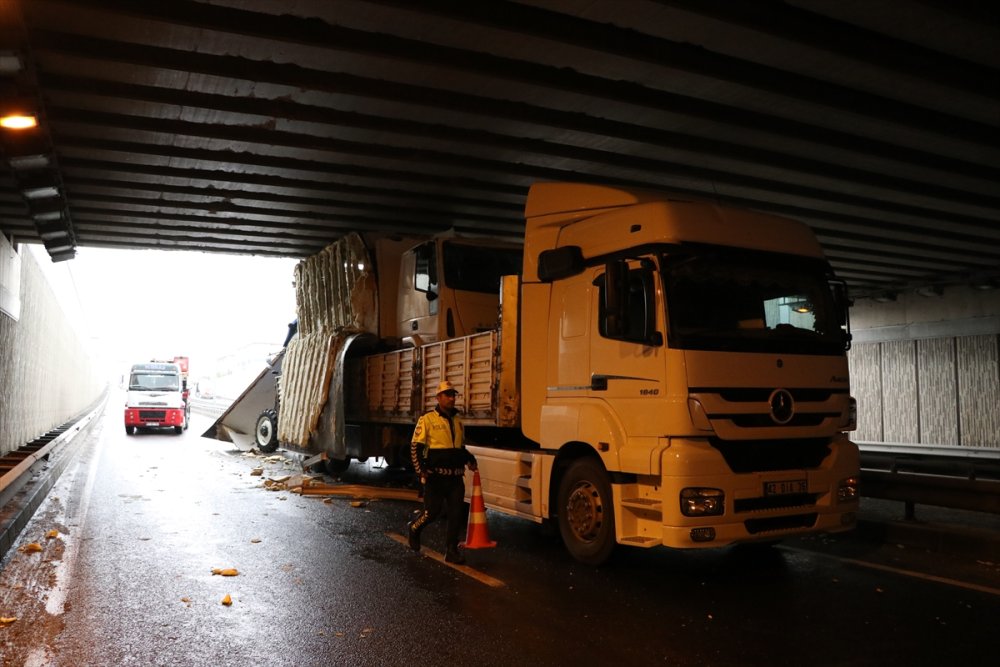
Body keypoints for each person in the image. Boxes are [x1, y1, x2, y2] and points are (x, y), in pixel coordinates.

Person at [407, 380, 478, 564]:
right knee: (432, 513)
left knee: (456, 515)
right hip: (436, 477)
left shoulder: (458, 421)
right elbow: (415, 447)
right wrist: (420, 470)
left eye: (453, 394)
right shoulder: (427, 419)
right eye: (447, 394)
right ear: (438, 398)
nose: (452, 398)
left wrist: (470, 459)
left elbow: (459, 448)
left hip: (455, 477)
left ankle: (452, 551)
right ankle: (414, 529)